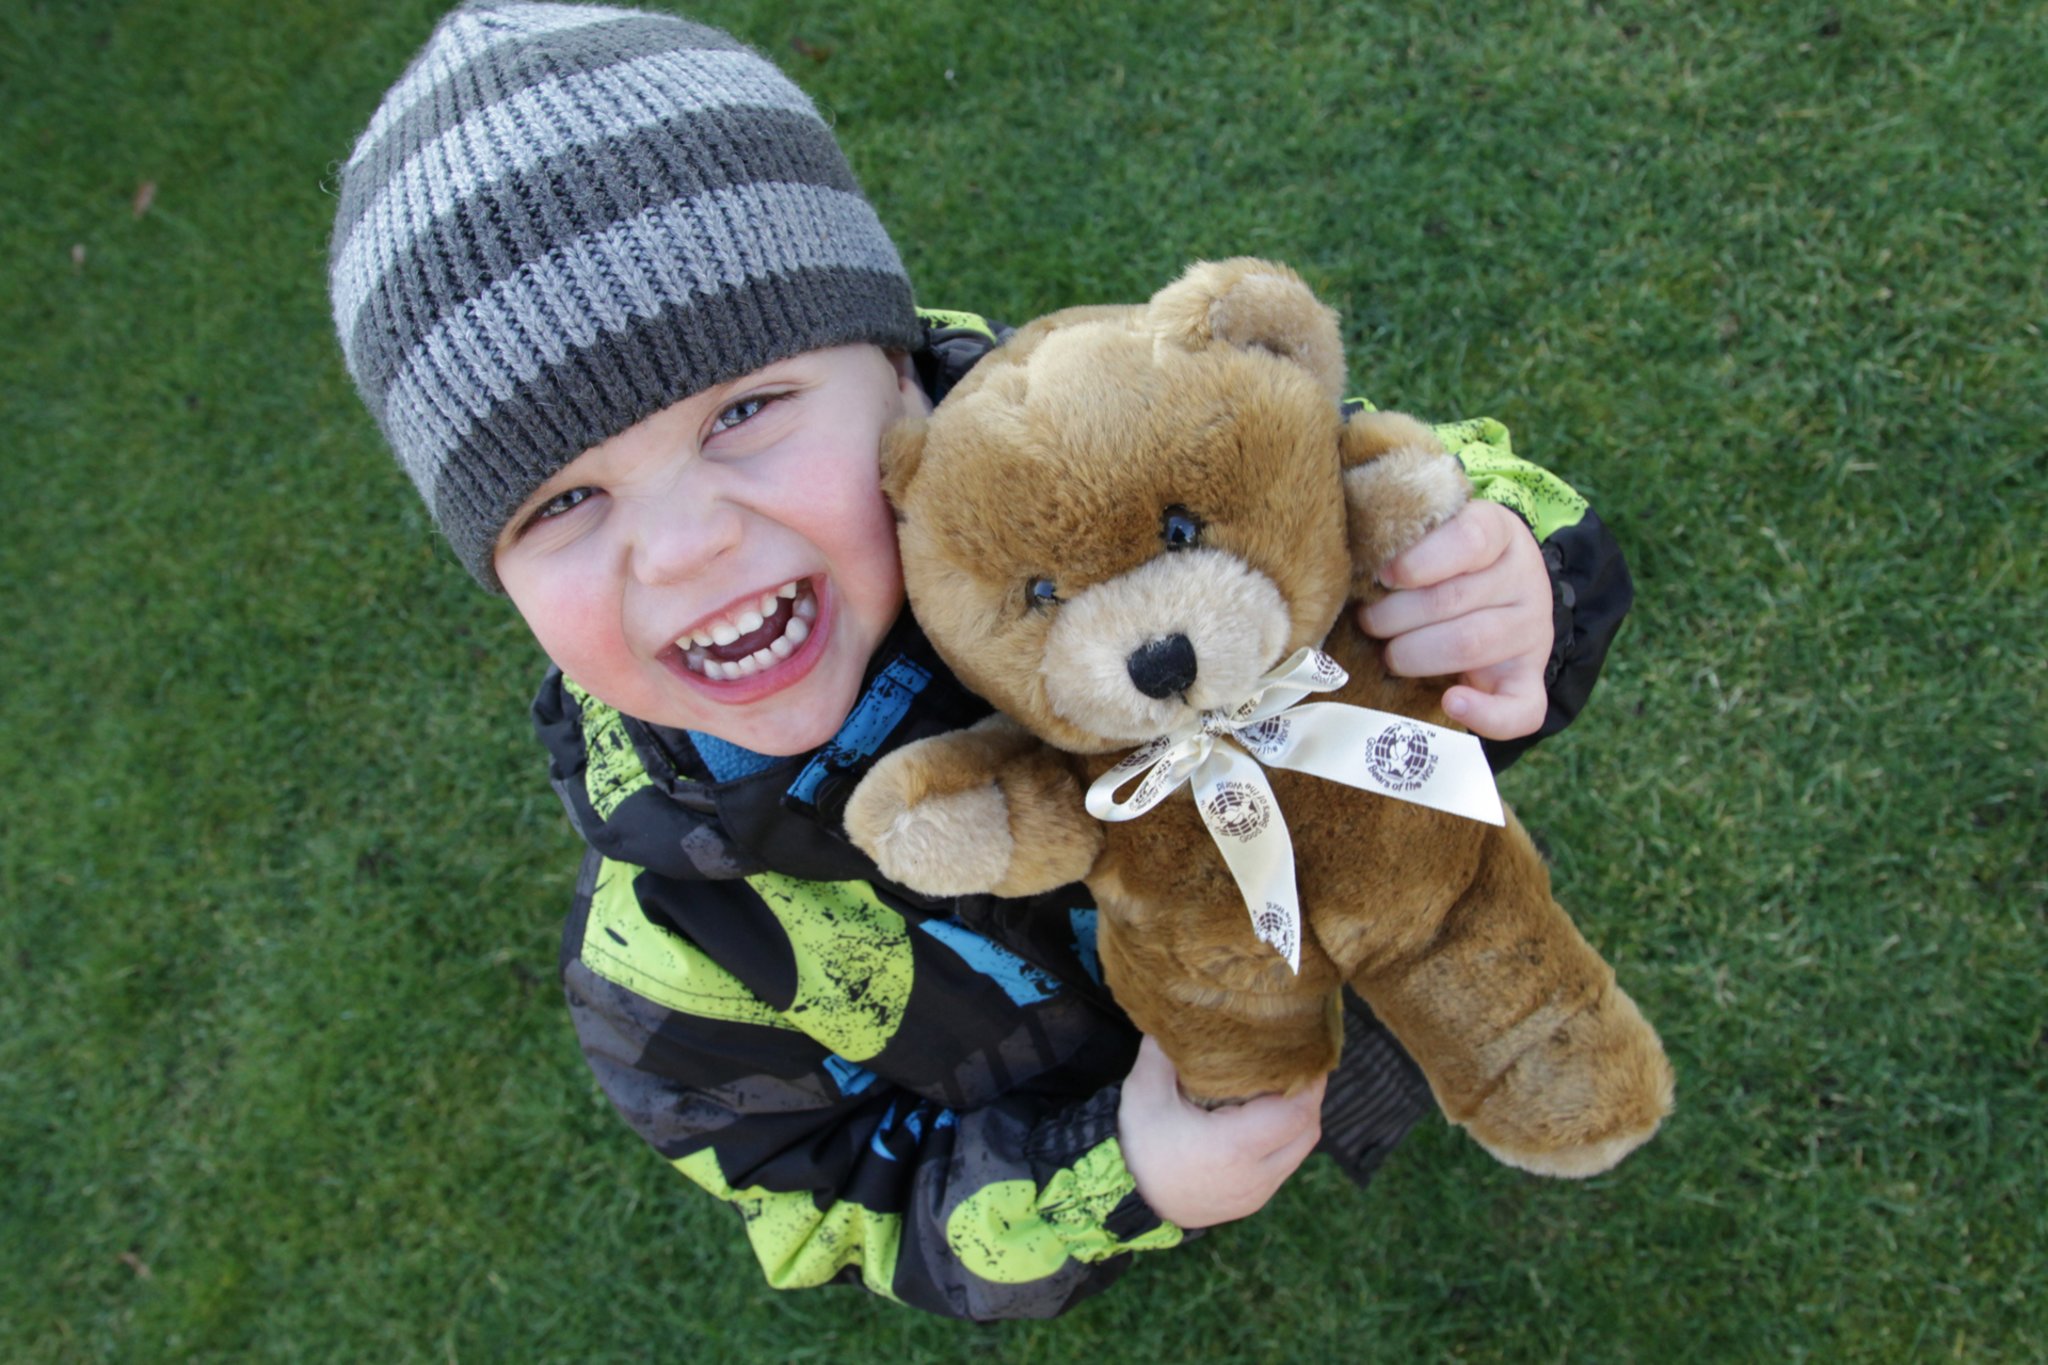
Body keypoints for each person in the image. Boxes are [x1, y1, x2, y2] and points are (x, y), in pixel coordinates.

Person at [328, 1, 1634, 1321]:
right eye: (560, 502)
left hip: (1416, 937)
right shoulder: (674, 961)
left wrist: (1514, 582)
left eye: (742, 412)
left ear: (897, 378)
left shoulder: (1116, 463)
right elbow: (846, 1206)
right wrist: (1121, 1176)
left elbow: (1363, 492)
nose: (681, 549)